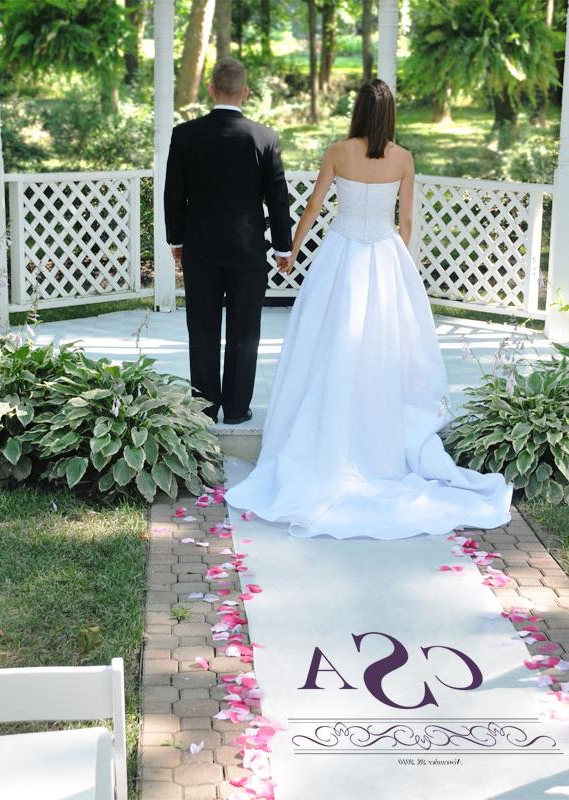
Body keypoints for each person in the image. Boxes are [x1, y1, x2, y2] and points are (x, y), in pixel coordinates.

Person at [225, 80, 514, 539]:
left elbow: (315, 206)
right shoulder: (403, 158)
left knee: (327, 340)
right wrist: (398, 263)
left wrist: (292, 250)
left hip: (341, 253)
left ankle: (329, 434)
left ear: (358, 111)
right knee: (384, 345)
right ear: (391, 114)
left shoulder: (338, 151)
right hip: (384, 254)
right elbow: (407, 221)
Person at [164, 58, 293, 425]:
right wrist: (283, 248)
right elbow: (277, 197)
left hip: (200, 248)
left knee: (202, 329)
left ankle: (204, 409)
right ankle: (236, 409)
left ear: (210, 89)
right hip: (248, 249)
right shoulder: (264, 137)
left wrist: (177, 239)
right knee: (244, 331)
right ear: (246, 93)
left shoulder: (185, 134)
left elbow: (173, 194)